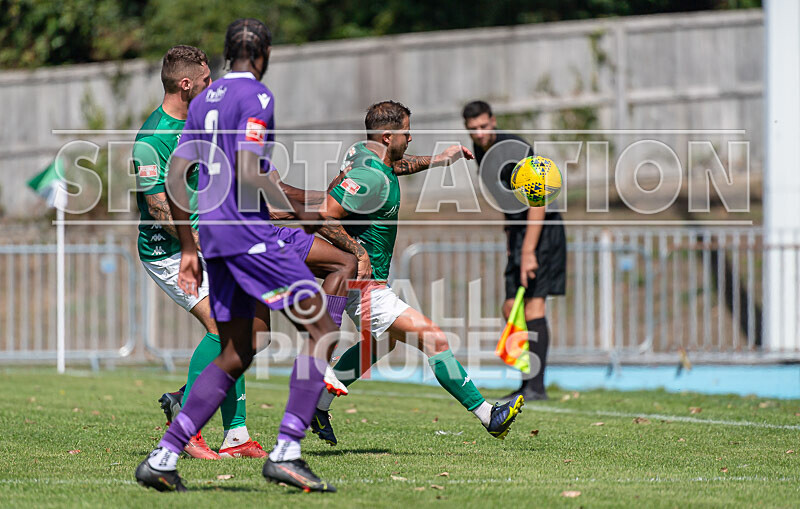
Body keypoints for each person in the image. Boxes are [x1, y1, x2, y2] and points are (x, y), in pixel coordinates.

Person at [135, 18, 338, 493]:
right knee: (322, 327)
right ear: (263, 55)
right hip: (249, 236)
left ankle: (163, 457)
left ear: (226, 55)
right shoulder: (259, 97)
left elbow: (176, 176)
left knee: (238, 349)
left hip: (217, 242)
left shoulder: (204, 101)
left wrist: (189, 247)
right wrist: (303, 209)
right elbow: (250, 168)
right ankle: (287, 451)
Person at [307, 100, 525, 446]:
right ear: (388, 135)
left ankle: (318, 406)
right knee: (433, 337)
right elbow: (322, 215)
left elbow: (399, 167)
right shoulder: (370, 174)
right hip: (364, 286)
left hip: (367, 284)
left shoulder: (370, 157)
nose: (411, 137)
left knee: (379, 345)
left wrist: (439, 160)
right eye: (406, 132)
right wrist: (358, 251)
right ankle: (488, 415)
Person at [133, 45, 267, 459]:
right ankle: (186, 423)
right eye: (208, 82)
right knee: (222, 327)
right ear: (186, 84)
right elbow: (158, 209)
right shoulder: (152, 138)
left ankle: (234, 434)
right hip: (169, 251)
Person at [462, 100, 567, 401]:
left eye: (483, 126)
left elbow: (539, 201)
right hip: (520, 234)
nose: (479, 133)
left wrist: (530, 251)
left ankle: (536, 387)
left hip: (541, 231)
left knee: (534, 307)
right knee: (510, 307)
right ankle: (527, 380)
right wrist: (512, 238)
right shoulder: (482, 151)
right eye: (473, 130)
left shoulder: (513, 150)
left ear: (493, 121)